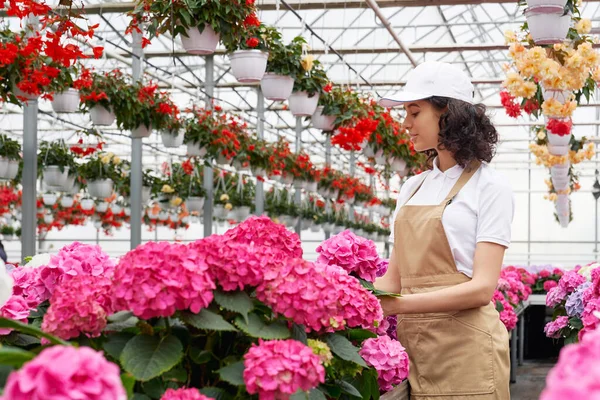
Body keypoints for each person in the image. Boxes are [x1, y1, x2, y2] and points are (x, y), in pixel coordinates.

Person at [375, 61, 514, 400]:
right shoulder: (412, 188)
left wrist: (397, 307)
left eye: (414, 112)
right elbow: (393, 281)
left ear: (448, 113)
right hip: (415, 351)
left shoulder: (490, 187)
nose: (406, 124)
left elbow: (482, 289)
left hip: (467, 352)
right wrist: (341, 296)